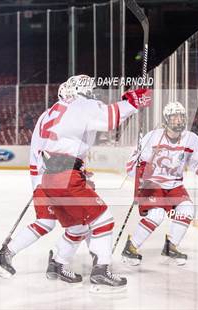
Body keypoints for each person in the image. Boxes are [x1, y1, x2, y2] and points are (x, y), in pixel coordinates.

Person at [38, 74, 152, 292]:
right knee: (103, 219)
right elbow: (110, 119)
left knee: (78, 225)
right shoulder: (82, 104)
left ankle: (58, 264)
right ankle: (102, 271)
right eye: (92, 89)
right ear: (86, 90)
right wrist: (132, 102)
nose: (94, 93)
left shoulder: (61, 108)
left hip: (51, 176)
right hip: (66, 175)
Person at [121, 101, 198, 266]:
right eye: (174, 116)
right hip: (153, 184)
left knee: (187, 210)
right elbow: (130, 168)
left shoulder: (191, 139)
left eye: (181, 116)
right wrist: (144, 161)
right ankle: (131, 247)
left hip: (175, 185)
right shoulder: (152, 137)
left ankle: (171, 246)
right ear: (165, 120)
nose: (178, 120)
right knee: (156, 215)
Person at [0, 82, 73, 279]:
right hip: (52, 177)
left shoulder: (49, 114)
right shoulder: (66, 116)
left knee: (55, 222)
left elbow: (40, 148)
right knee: (78, 220)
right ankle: (9, 256)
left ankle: (55, 257)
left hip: (44, 175)